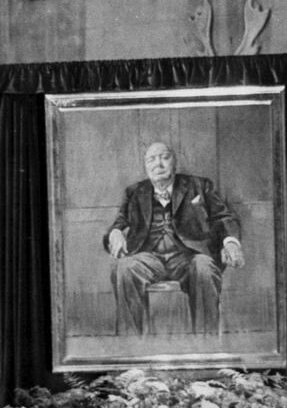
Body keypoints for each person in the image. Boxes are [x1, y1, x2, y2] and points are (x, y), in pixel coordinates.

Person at [103, 141, 245, 335]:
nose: (158, 164)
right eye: (151, 159)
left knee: (204, 268)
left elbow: (224, 217)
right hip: (149, 257)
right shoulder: (135, 192)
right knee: (123, 268)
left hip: (189, 256)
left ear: (174, 162)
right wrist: (115, 233)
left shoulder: (200, 186)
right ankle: (132, 347)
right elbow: (119, 222)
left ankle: (205, 346)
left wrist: (231, 242)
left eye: (164, 157)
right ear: (146, 166)